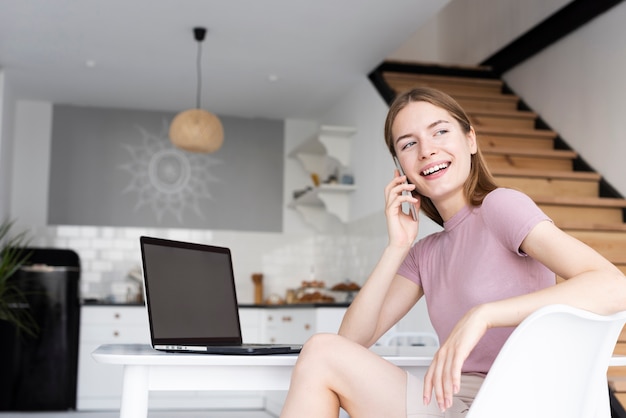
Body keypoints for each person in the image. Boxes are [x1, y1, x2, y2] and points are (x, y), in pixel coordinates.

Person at [279, 87, 626, 418]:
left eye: (440, 132)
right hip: (455, 404)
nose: (427, 150)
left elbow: (614, 286)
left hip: (517, 401)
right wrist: (396, 246)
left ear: (470, 140)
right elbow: (351, 343)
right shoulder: (424, 253)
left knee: (323, 353)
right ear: (401, 167)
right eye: (409, 144)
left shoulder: (500, 207)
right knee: (322, 352)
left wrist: (484, 314)